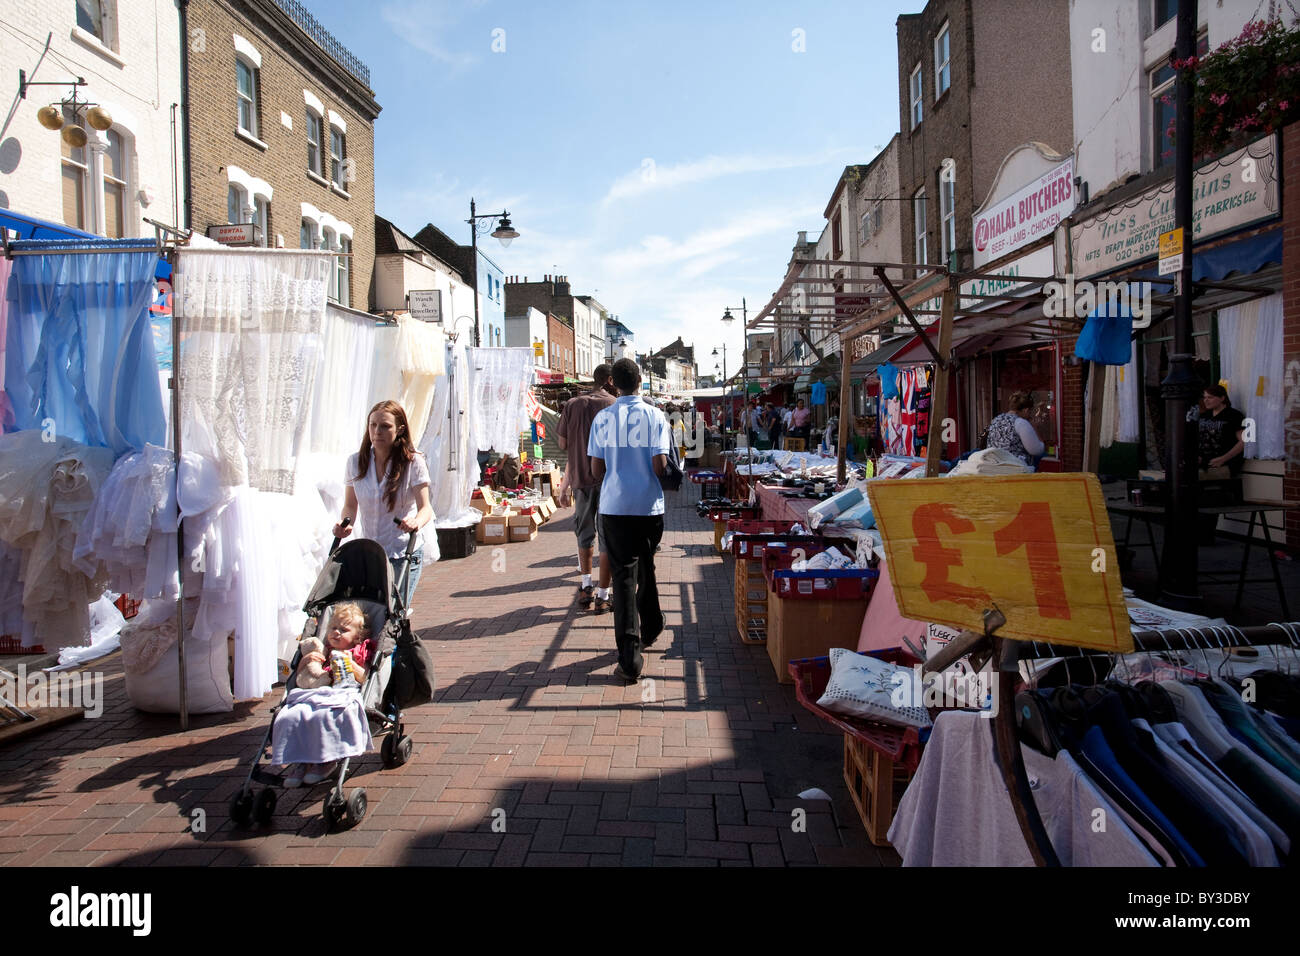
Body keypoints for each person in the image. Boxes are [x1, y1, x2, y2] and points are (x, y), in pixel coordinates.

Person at [588, 358, 670, 684]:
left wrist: (617, 468)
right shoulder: (655, 415)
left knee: (623, 580)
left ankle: (630, 658)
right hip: (648, 507)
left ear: (613, 383)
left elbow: (596, 471)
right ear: (639, 381)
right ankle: (651, 625)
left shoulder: (603, 418)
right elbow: (661, 465)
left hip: (615, 507)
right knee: (646, 566)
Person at [332, 400, 433, 609]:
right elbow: (350, 505)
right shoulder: (355, 462)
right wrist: (345, 523)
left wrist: (415, 522)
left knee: (393, 613)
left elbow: (426, 508)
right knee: (369, 614)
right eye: (373, 425)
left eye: (385, 426)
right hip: (371, 554)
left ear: (400, 429)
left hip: (402, 551)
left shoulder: (413, 462)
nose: (377, 431)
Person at [273, 602, 374, 788]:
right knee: (292, 715)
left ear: (357, 637)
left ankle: (326, 761)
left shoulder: (359, 651)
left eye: (343, 630)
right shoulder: (323, 650)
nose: (336, 632)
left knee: (326, 716)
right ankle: (302, 760)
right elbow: (304, 674)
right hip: (315, 692)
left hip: (343, 692)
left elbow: (365, 677)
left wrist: (351, 664)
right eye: (333, 628)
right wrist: (308, 660)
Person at [557, 364, 616, 611]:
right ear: (610, 380)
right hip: (610, 480)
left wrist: (564, 484)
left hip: (581, 478)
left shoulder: (572, 405)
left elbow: (563, 445)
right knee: (607, 537)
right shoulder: (614, 405)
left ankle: (586, 585)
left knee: (584, 534)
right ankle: (603, 594)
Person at [1188, 383, 1246, 475]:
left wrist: (1224, 458)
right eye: (1204, 397)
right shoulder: (1204, 416)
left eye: (1210, 397)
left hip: (1225, 464)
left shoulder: (1234, 415)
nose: (1206, 401)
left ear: (1222, 398)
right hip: (1203, 463)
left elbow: (1243, 442)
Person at [985, 391, 1046, 467]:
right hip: (1015, 469)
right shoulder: (1021, 423)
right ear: (1026, 410)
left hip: (993, 466)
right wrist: (1035, 428)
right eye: (1030, 412)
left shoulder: (996, 420)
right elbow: (1037, 450)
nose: (1030, 416)